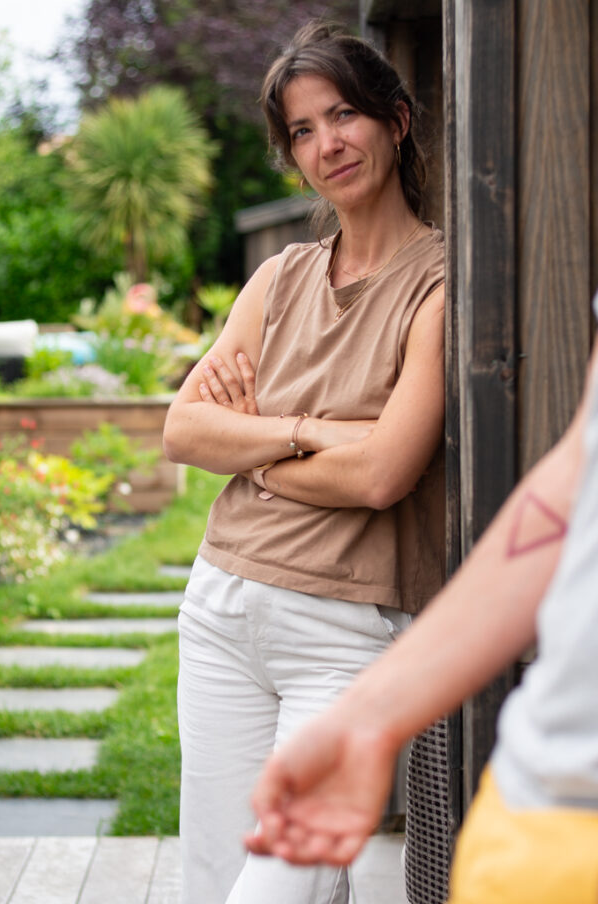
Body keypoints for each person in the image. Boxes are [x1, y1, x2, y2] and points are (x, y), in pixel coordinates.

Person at [163, 20, 446, 904]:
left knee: (281, 885)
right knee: (216, 885)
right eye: (302, 130)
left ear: (396, 122)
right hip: (219, 609)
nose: (328, 145)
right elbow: (182, 429)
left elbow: (380, 476)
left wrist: (253, 444)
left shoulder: (442, 282)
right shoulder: (280, 276)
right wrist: (314, 432)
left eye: (345, 116)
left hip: (344, 635)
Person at [246, 303, 598, 903]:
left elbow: (381, 473)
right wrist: (366, 720)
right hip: (539, 823)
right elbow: (571, 489)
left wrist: (263, 455)